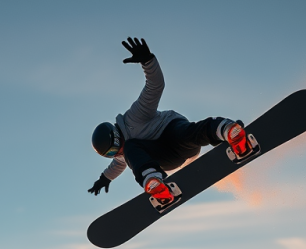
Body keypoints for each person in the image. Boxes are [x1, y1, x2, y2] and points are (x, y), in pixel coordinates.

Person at [88, 37, 249, 204]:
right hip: (167, 158)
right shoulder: (124, 154)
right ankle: (154, 183)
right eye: (112, 154)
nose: (117, 152)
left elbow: (155, 86)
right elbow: (115, 167)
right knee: (130, 151)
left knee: (183, 133)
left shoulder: (134, 116)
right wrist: (104, 180)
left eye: (115, 147)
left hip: (176, 136)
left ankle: (227, 130)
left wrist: (147, 61)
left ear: (117, 135)